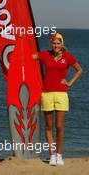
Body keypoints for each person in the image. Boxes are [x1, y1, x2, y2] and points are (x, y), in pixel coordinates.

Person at [37, 33, 82, 166]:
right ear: (51, 44)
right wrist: (21, 40)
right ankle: (51, 155)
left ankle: (59, 155)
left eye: (58, 43)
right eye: (54, 43)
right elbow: (30, 56)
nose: (56, 45)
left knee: (59, 126)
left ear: (62, 44)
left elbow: (79, 70)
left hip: (61, 94)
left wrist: (70, 82)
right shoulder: (45, 54)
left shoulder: (68, 57)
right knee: (49, 126)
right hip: (47, 94)